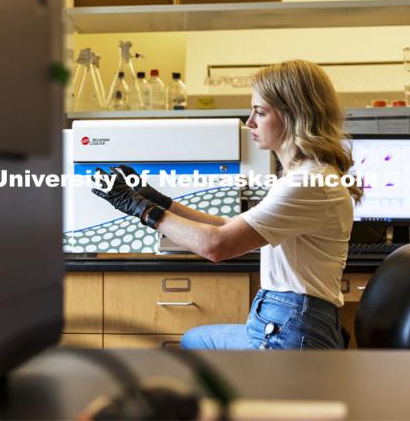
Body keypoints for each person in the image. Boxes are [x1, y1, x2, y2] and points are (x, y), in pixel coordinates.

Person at [92, 59, 363, 350]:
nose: (250, 123)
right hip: (289, 322)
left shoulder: (306, 184)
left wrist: (140, 208)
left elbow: (217, 245)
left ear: (293, 115)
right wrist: (157, 200)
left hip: (293, 332)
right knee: (195, 340)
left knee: (195, 346)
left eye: (260, 112)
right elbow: (228, 227)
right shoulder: (306, 177)